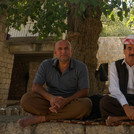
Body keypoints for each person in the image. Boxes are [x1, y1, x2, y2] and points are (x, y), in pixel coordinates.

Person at [18, 40, 92, 128]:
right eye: (60, 49)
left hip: (71, 103)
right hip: (49, 103)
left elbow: (84, 91)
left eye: (66, 49)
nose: (63, 52)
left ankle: (42, 118)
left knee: (86, 104)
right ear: (55, 52)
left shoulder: (81, 67)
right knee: (26, 100)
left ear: (71, 51)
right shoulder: (45, 65)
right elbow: (36, 86)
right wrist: (51, 98)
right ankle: (63, 114)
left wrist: (66, 101)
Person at [100, 35, 134, 126]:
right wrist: (126, 106)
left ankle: (118, 118)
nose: (132, 52)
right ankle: (129, 115)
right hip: (122, 100)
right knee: (105, 102)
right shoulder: (115, 65)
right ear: (124, 51)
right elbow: (114, 88)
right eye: (129, 48)